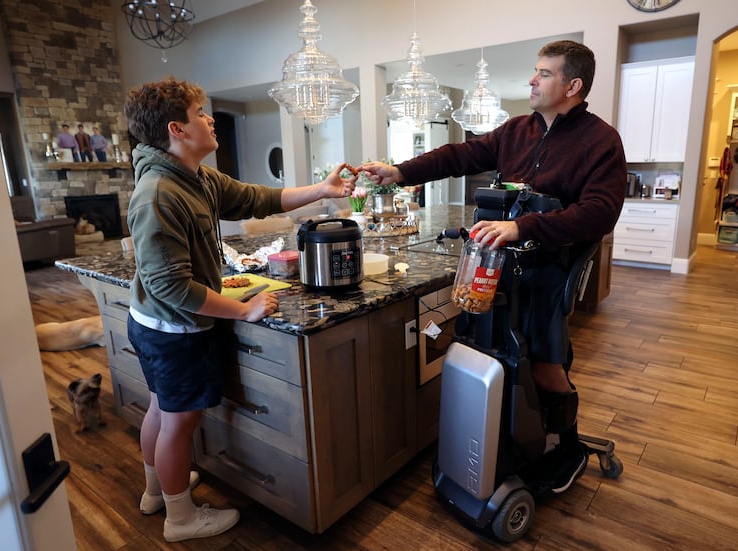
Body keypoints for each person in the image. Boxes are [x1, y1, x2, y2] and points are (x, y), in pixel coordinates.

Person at [359, 40, 626, 493]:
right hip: (498, 264)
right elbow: (457, 156)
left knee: (543, 364)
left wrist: (524, 227)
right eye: (535, 71)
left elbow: (601, 212)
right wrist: (399, 172)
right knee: (490, 351)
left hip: (550, 267)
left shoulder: (600, 141)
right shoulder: (515, 130)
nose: (532, 79)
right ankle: (511, 436)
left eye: (543, 73)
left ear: (573, 85)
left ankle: (568, 446)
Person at [124, 76, 356, 543]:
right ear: (178, 129)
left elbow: (256, 197)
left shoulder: (194, 176)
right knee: (178, 423)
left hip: (156, 324)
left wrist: (322, 189)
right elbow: (170, 286)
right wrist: (240, 309)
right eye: (200, 113)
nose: (211, 120)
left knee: (160, 411)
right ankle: (181, 519)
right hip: (174, 329)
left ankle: (158, 492)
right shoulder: (158, 194)